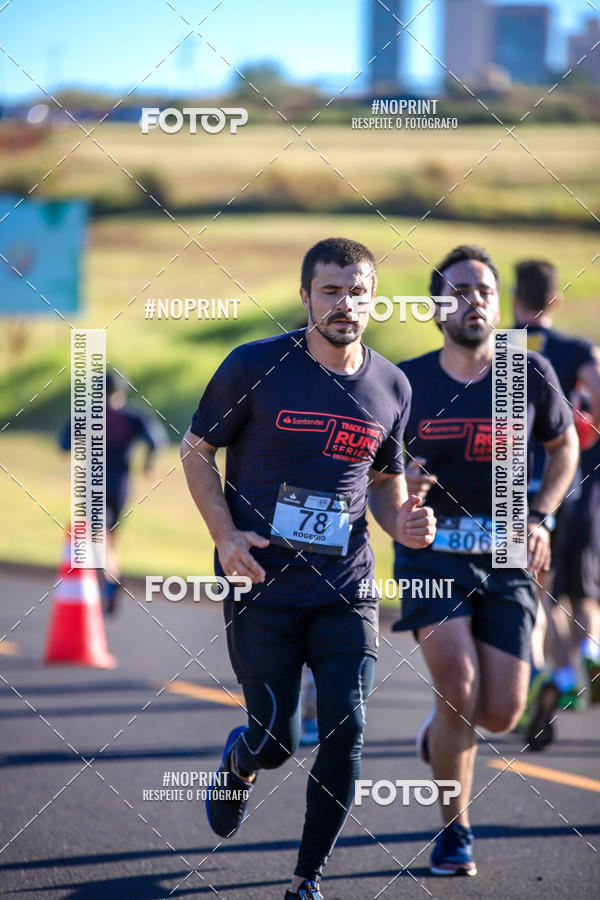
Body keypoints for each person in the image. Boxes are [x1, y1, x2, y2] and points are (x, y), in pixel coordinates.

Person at [180, 237, 436, 900]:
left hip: (345, 586)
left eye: (357, 291)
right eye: (331, 290)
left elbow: (381, 482)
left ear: (373, 299)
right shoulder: (255, 366)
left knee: (347, 726)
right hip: (260, 581)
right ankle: (242, 757)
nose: (345, 303)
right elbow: (197, 451)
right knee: (276, 740)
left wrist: (403, 519)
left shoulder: (392, 385)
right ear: (306, 297)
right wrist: (226, 536)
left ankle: (306, 879)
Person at [391, 245, 579, 876]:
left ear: (500, 305)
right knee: (459, 688)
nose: (475, 301)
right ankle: (454, 832)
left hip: (506, 556)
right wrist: (400, 504)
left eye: (486, 291)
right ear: (435, 307)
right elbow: (372, 471)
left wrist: (544, 514)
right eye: (461, 290)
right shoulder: (406, 382)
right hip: (431, 554)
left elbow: (564, 448)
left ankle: (438, 735)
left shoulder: (525, 373)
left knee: (499, 713)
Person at [512, 260, 600, 716]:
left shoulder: (500, 345)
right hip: (572, 483)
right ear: (555, 301)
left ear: (513, 298)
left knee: (538, 591)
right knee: (581, 587)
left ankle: (555, 677)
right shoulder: (576, 348)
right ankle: (591, 653)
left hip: (516, 488)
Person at [59, 371, 167, 613]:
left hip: (93, 482)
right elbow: (156, 438)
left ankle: (105, 582)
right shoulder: (132, 416)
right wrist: (148, 461)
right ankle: (110, 576)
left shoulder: (88, 413)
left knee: (94, 535)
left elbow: (64, 444)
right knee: (110, 535)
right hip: (121, 483)